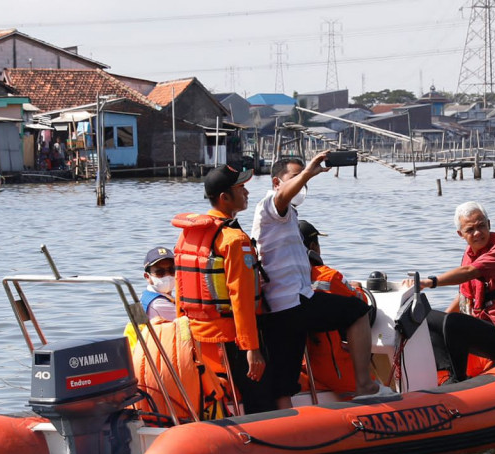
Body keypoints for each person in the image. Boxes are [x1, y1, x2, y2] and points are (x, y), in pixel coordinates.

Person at [251, 152, 390, 408]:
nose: (302, 184)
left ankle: (287, 429)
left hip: (277, 307)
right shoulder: (271, 205)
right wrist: (307, 171)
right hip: (293, 302)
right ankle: (365, 385)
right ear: (276, 182)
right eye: (295, 178)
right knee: (358, 311)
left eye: (304, 180)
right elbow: (282, 196)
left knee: (285, 379)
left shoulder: (287, 214)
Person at [172, 164, 274, 415]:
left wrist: (181, 332)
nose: (247, 193)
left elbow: (180, 287)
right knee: (260, 397)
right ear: (224, 197)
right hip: (231, 339)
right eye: (241, 188)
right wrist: (252, 349)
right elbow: (241, 297)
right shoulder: (234, 240)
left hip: (197, 336)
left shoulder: (189, 234)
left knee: (218, 393)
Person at [408, 201, 495, 383]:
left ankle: (458, 379)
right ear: (461, 234)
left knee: (454, 324)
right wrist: (442, 324)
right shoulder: (470, 253)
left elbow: (469, 273)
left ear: (489, 225)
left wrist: (431, 282)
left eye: (481, 226)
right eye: (470, 230)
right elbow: (465, 295)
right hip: (487, 326)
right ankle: (444, 373)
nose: (477, 233)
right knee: (429, 318)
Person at [297, 220, 370, 395]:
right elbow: (362, 303)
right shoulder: (330, 277)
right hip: (332, 373)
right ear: (314, 246)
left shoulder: (283, 278)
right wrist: (357, 288)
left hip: (301, 369)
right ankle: (366, 386)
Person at [140, 246, 178, 322]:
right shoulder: (158, 304)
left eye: (172, 270)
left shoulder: (147, 295)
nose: (167, 275)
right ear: (147, 276)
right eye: (160, 272)